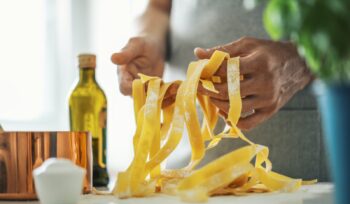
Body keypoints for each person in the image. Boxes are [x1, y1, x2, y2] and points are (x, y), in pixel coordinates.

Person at [111, 0, 329, 181]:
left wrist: (300, 61)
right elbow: (158, 7)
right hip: (189, 171)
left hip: (299, 166)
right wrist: (151, 40)